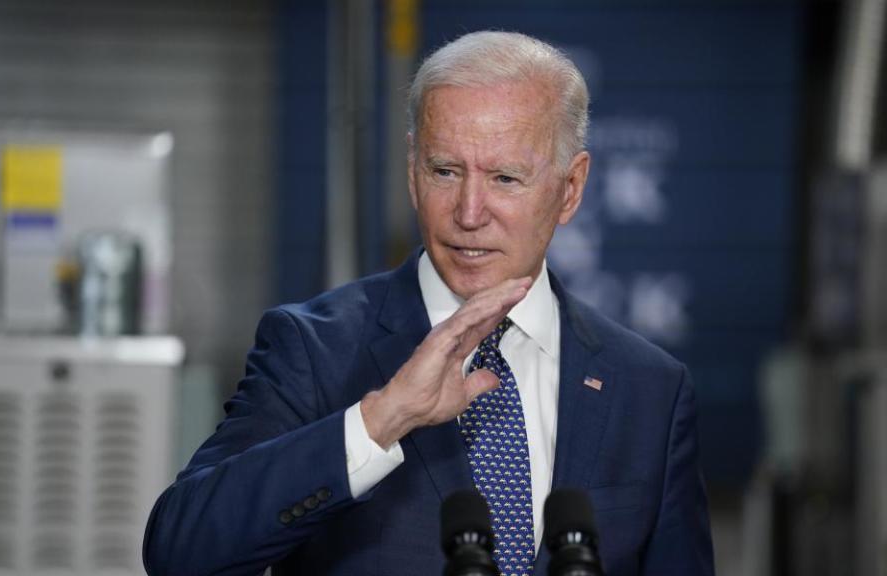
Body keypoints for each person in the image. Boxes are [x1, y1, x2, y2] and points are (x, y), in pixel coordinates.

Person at [143, 30, 714, 576]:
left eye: (505, 179)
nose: (469, 212)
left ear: (570, 188)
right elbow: (181, 551)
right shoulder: (313, 349)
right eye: (445, 171)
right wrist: (381, 419)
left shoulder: (650, 390)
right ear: (413, 173)